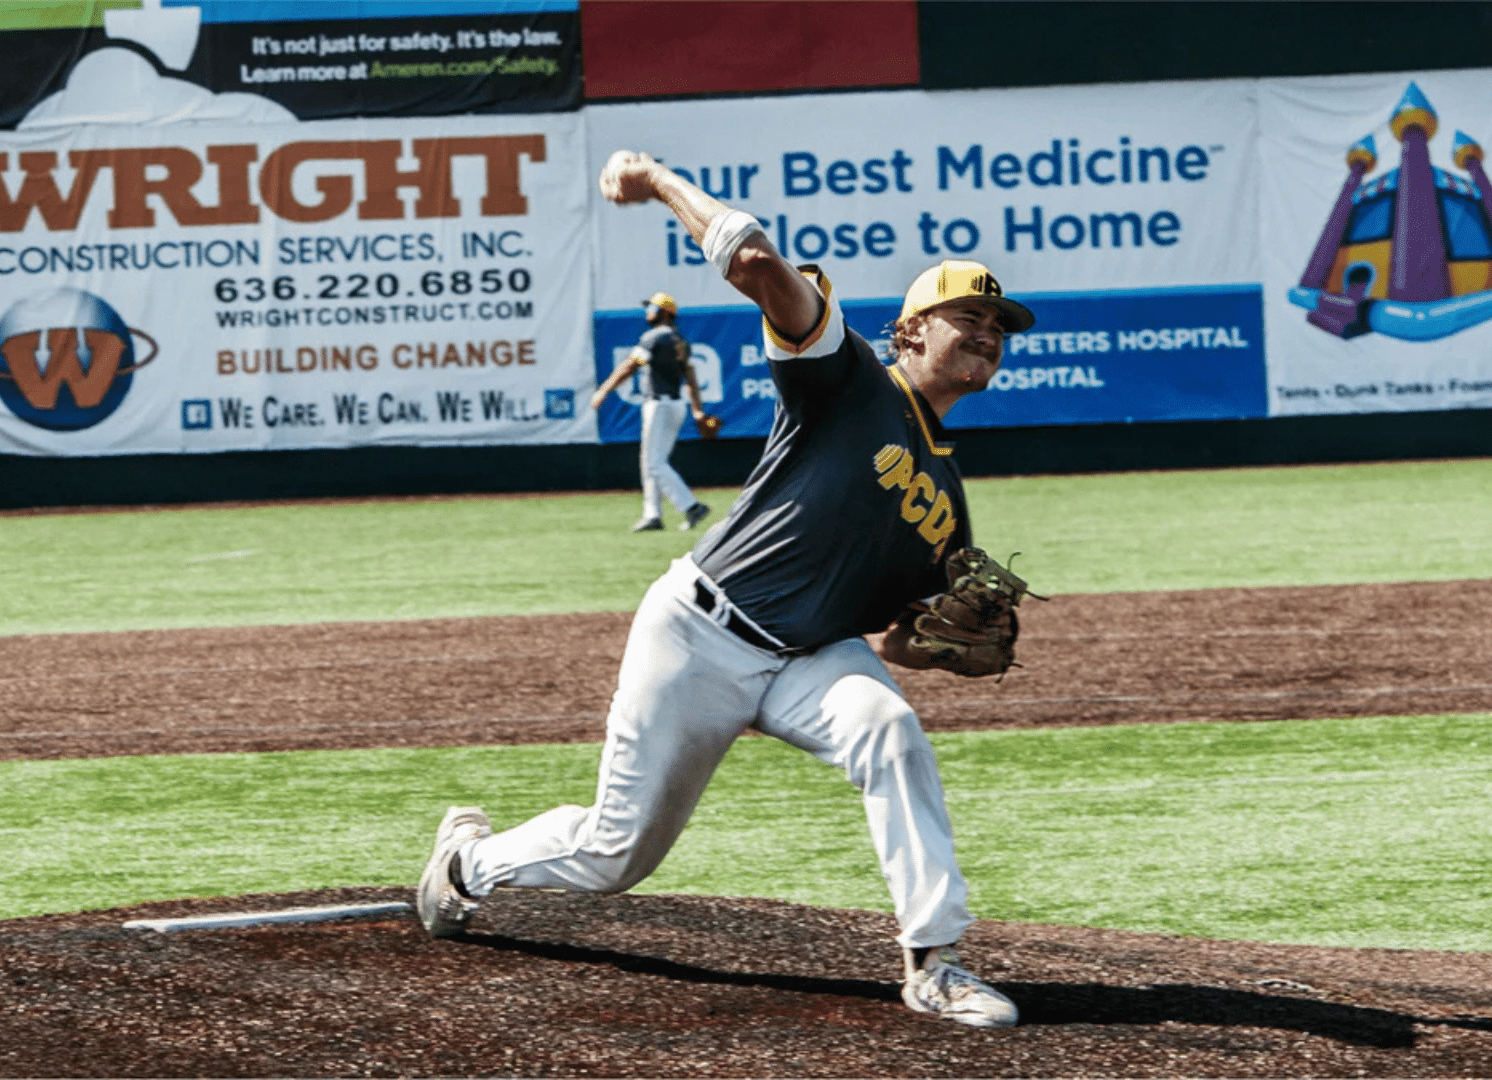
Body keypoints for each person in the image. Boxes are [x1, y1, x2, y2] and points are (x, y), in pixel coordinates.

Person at [415, 149, 1036, 1029]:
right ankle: (467, 863)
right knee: (616, 854)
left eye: (997, 324)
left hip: (809, 657)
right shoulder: (848, 379)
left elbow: (901, 636)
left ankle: (935, 960)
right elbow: (753, 263)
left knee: (889, 729)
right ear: (909, 332)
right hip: (700, 634)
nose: (985, 332)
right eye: (965, 315)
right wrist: (660, 181)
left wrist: (948, 652)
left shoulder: (950, 504)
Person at [589, 291, 713, 532]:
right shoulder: (679, 340)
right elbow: (690, 376)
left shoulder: (654, 337)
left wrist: (604, 390)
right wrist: (697, 410)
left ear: (665, 313)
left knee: (654, 463)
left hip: (660, 405)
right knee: (651, 462)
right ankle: (652, 515)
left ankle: (691, 506)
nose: (648, 311)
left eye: (653, 307)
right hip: (675, 405)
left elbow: (629, 366)